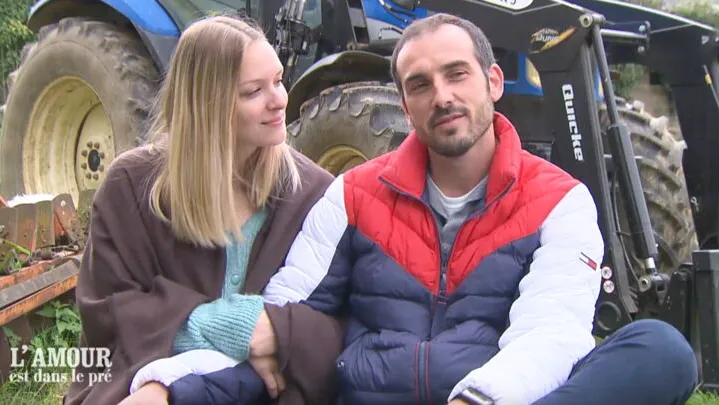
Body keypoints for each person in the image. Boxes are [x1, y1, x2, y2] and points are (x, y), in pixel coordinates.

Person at [128, 13, 699, 405]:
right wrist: (164, 385)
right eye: (420, 85)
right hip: (372, 394)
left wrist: (477, 399)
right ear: (404, 104)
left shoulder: (559, 200)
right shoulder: (352, 195)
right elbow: (282, 316)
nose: (442, 96)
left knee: (661, 350)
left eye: (457, 75)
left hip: (494, 396)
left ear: (493, 81)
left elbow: (549, 332)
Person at [62, 14, 336, 405]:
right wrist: (233, 329)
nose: (279, 100)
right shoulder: (132, 186)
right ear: (208, 106)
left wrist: (276, 334)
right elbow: (107, 309)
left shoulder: (312, 192)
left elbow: (339, 316)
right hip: (148, 384)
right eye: (254, 91)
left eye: (278, 81)